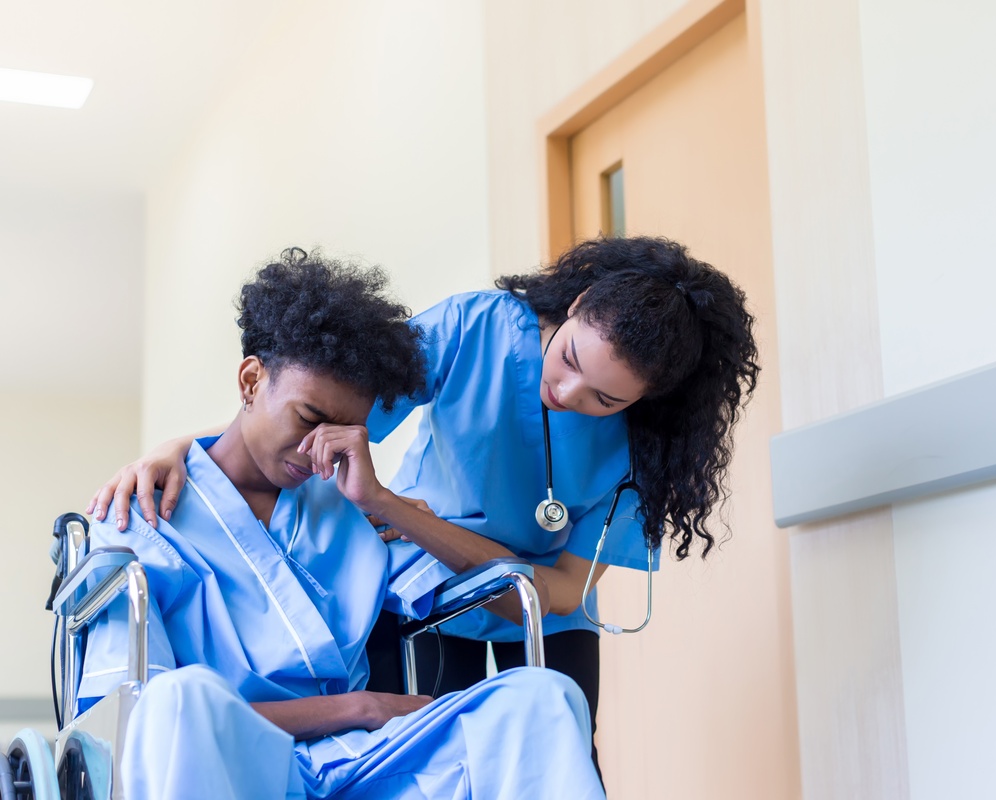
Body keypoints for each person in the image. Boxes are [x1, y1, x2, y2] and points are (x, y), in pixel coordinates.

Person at [89, 235, 762, 772]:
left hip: (516, 596)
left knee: (559, 724)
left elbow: (556, 592)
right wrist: (189, 449)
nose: (567, 391)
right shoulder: (477, 330)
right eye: (569, 358)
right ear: (577, 305)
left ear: (640, 404)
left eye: (604, 398)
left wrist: (388, 506)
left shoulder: (643, 450)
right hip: (420, 587)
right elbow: (311, 396)